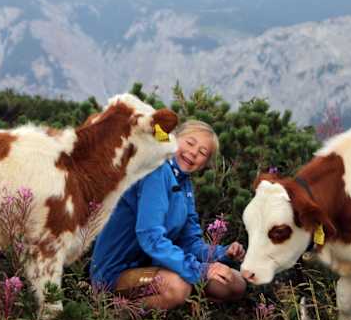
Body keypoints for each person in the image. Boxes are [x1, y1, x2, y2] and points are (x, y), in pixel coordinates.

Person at [90, 120, 247, 310]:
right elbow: (150, 238)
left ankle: (177, 312)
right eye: (190, 143)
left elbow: (189, 242)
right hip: (115, 273)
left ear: (205, 164)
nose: (194, 152)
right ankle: (115, 315)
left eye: (203, 152)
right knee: (177, 287)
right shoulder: (155, 169)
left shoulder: (184, 185)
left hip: (153, 267)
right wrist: (201, 270)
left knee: (234, 282)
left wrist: (224, 253)